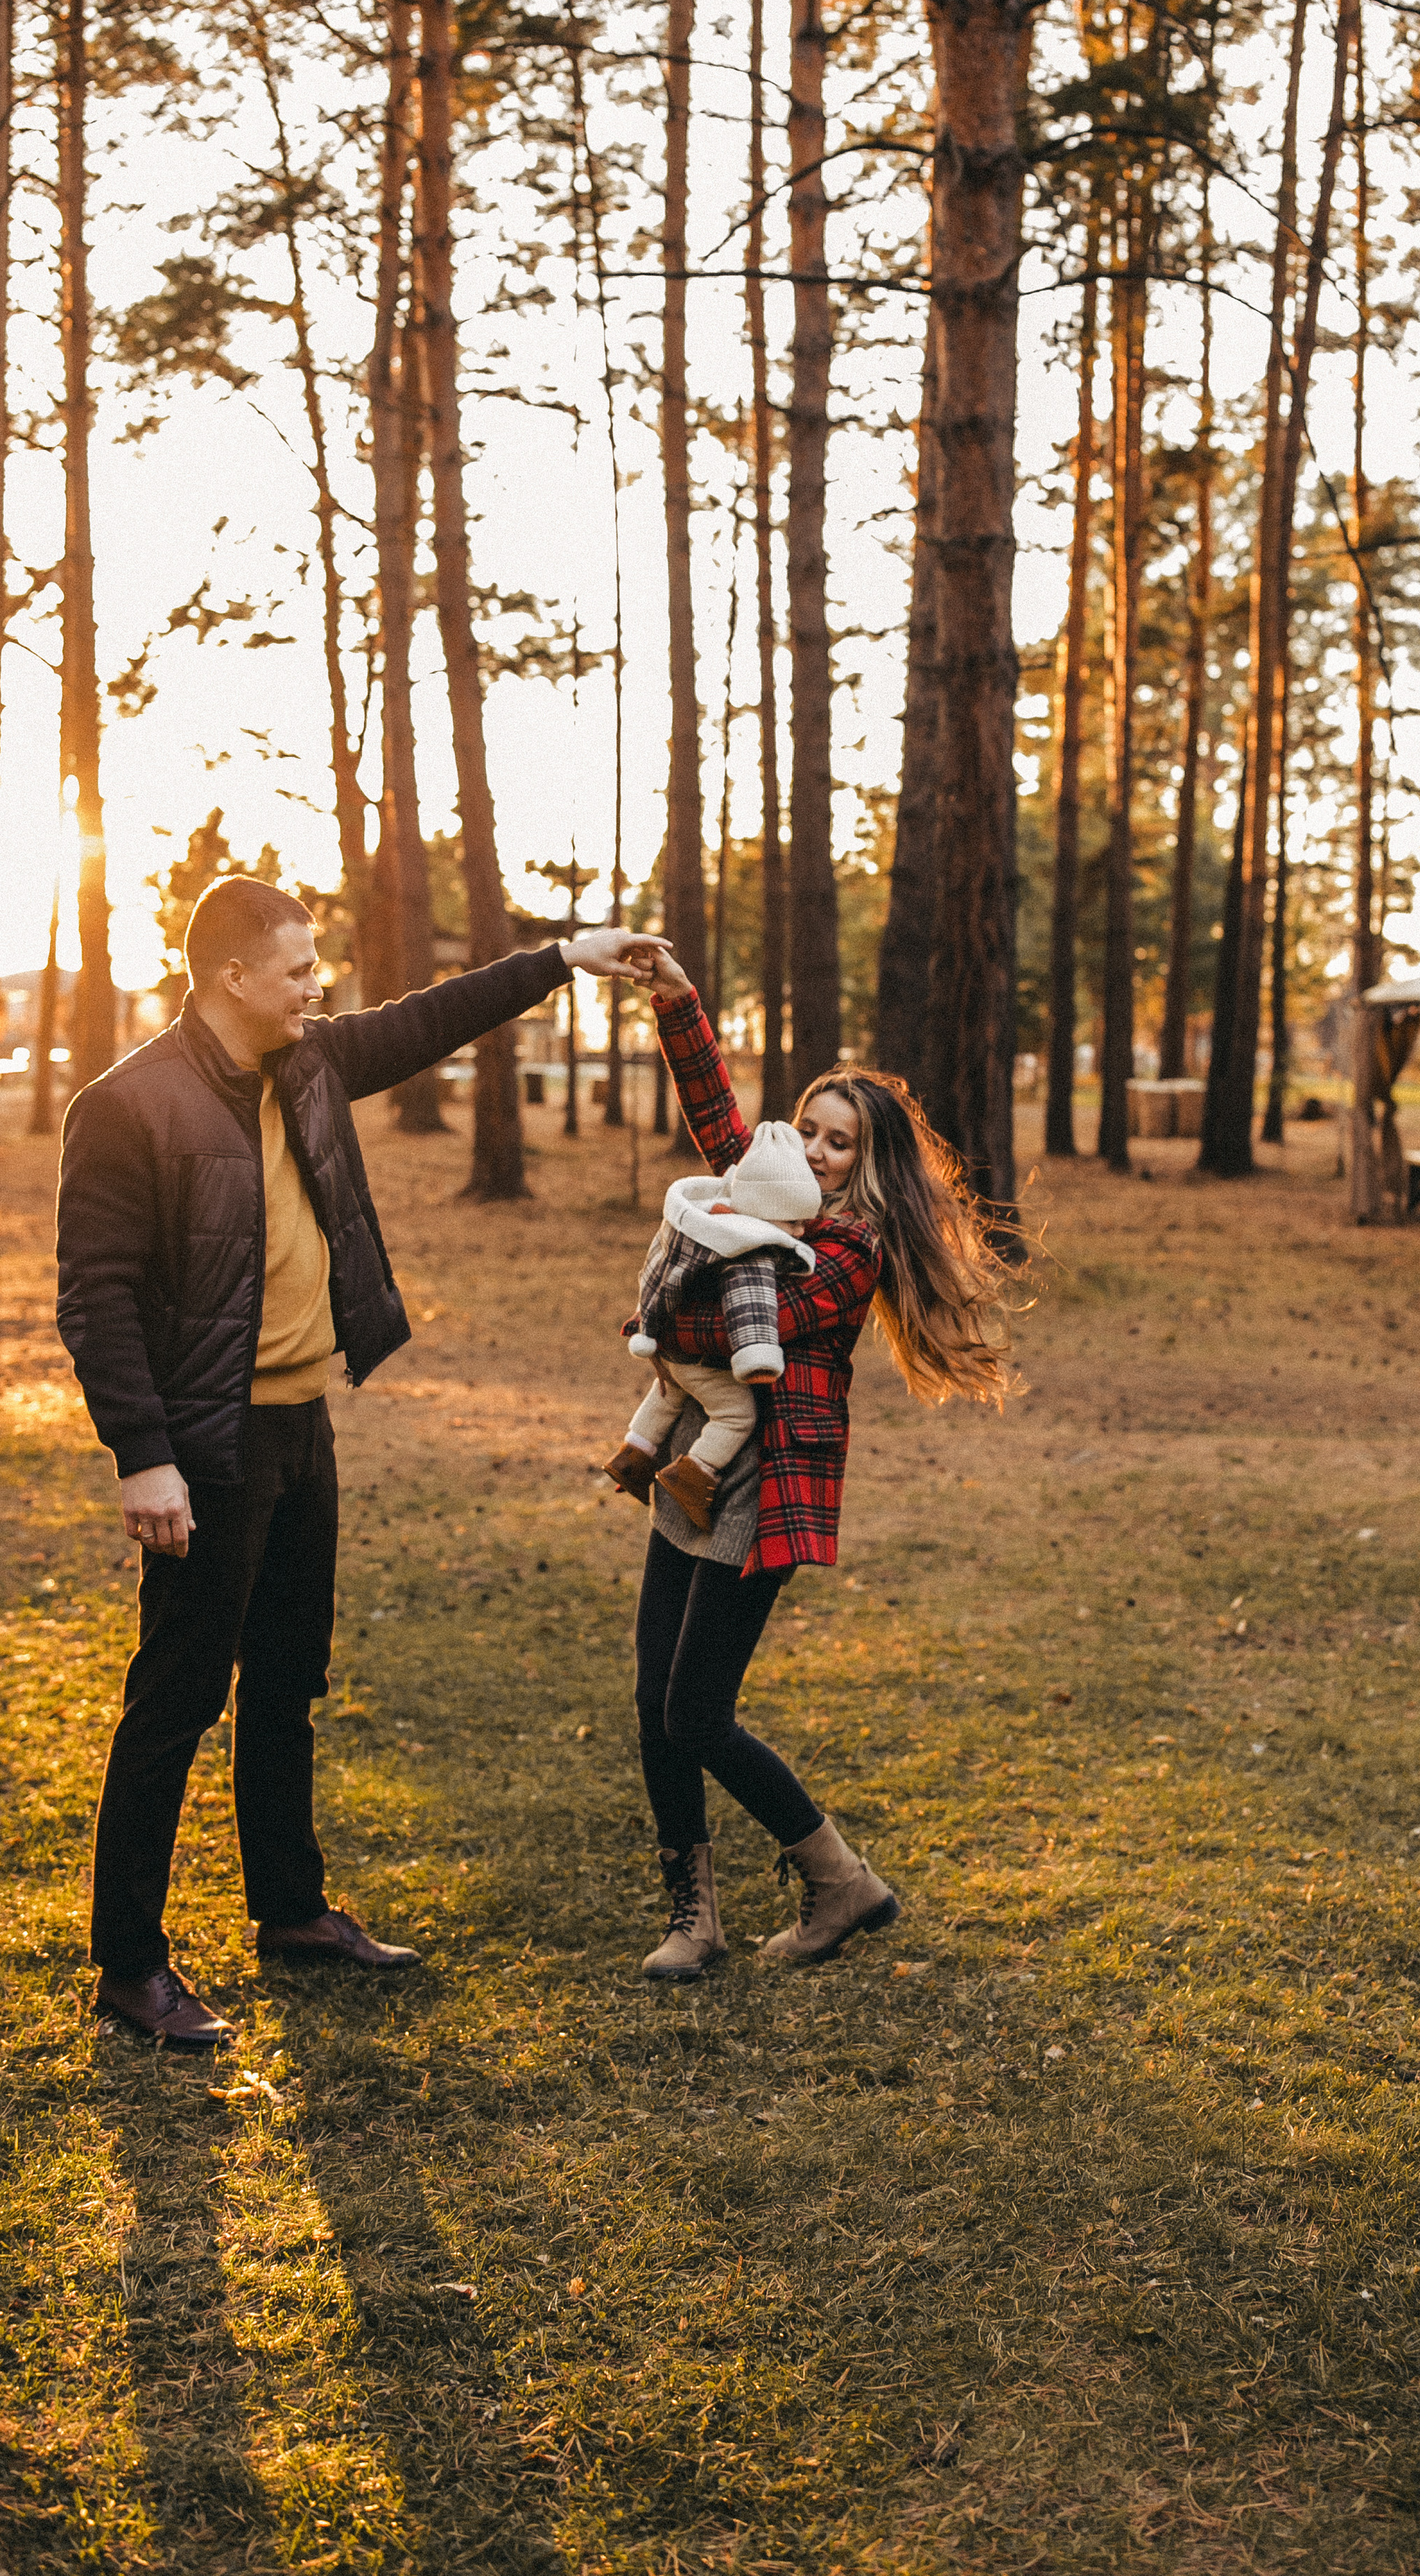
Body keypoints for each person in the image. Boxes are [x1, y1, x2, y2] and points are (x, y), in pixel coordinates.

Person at [55, 875, 639, 2051]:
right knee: (176, 1701)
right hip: (205, 1448)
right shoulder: (130, 1107)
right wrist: (145, 1459)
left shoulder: (308, 1064)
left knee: (287, 1683)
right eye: (297, 969)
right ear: (231, 977)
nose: (316, 985)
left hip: (300, 1426)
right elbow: (97, 1298)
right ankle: (130, 1967)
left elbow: (429, 1020)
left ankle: (292, 1912)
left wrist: (565, 957)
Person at [608, 936, 1012, 1985]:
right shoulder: (766, 1199)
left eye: (842, 1143)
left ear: (867, 1161)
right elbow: (717, 1120)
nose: (821, 1154)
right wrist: (680, 1003)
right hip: (695, 1464)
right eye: (813, 1134)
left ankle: (839, 1879)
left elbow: (746, 1329)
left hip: (763, 1492)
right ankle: (693, 1917)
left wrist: (672, 1291)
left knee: (698, 1711)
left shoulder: (848, 1252)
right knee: (655, 1695)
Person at [607, 1119, 821, 1535]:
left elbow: (655, 1270)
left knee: (668, 1393)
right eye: (794, 1222)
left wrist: (649, 1328)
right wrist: (756, 1359)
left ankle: (633, 1457)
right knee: (736, 1414)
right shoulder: (750, 1248)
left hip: (668, 1347)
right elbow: (752, 1308)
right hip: (704, 1359)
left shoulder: (704, 1219)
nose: (800, 1232)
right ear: (767, 1213)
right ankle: (694, 1476)